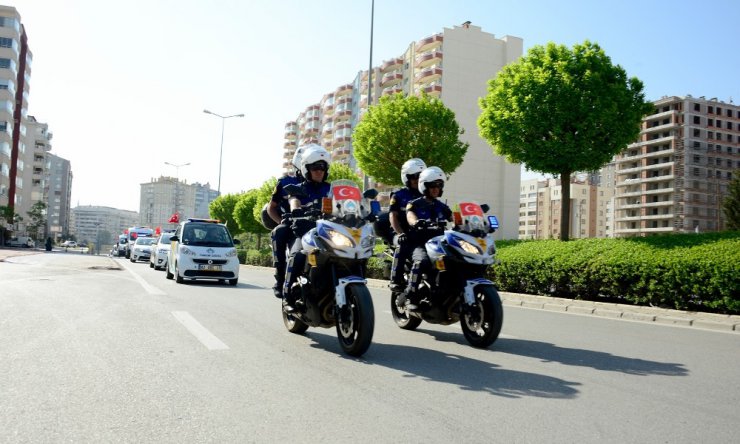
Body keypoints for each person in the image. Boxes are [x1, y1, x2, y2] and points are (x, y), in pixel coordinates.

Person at [282, 145, 332, 311]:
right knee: (297, 255)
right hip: (304, 231)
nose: (319, 171)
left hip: (327, 233)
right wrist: (295, 209)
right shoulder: (300, 187)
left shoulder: (331, 189)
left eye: (322, 167)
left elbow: (344, 203)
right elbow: (294, 199)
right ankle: (288, 296)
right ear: (306, 169)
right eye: (315, 167)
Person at [397, 166, 453, 310]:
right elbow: (410, 215)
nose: (435, 188)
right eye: (432, 185)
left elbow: (455, 217)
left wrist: (470, 223)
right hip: (419, 243)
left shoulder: (442, 206)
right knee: (421, 261)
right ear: (424, 186)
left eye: (438, 185)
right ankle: (411, 295)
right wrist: (415, 222)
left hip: (439, 243)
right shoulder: (414, 203)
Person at [268, 144, 312, 298]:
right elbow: (271, 208)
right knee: (279, 232)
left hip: (316, 224)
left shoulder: (322, 184)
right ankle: (280, 279)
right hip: (292, 222)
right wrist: (281, 221)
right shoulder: (285, 182)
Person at [388, 158, 426, 292]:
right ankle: (395, 279)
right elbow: (393, 216)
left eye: (420, 177)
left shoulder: (426, 196)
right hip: (401, 232)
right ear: (407, 178)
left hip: (420, 235)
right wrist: (400, 233)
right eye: (414, 177)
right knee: (402, 243)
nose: (417, 180)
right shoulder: (398, 195)